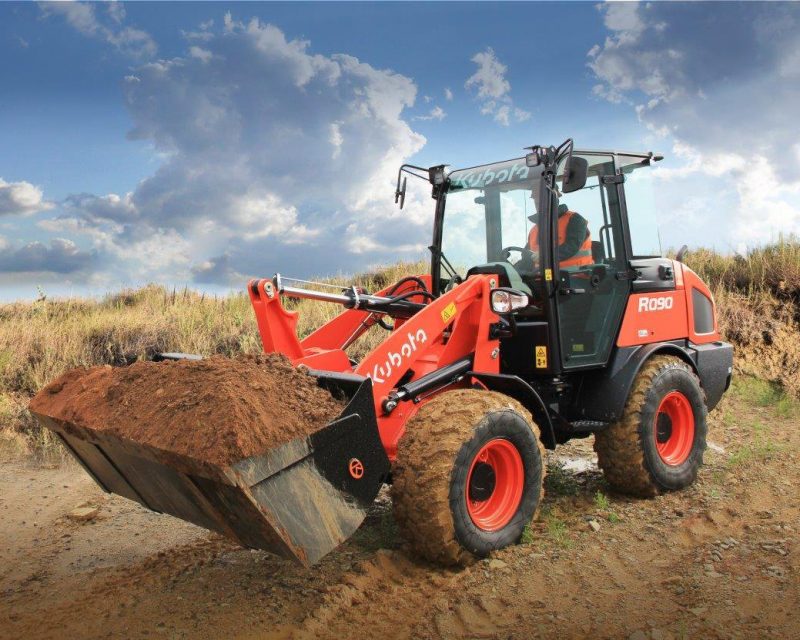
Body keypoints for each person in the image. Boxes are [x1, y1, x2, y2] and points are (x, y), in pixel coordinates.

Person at [527, 204, 593, 269]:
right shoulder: (533, 230)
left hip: (576, 275)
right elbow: (526, 256)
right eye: (534, 197)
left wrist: (546, 255)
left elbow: (572, 246)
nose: (538, 201)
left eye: (540, 195)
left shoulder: (574, 219)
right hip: (545, 276)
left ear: (555, 198)